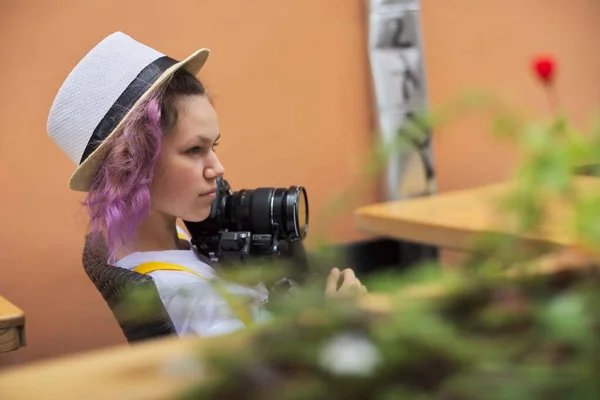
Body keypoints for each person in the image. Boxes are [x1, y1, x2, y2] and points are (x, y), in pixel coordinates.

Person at [47, 32, 367, 336]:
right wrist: (333, 322)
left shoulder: (165, 236)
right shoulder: (184, 294)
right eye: (194, 150)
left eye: (213, 146)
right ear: (132, 166)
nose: (217, 168)